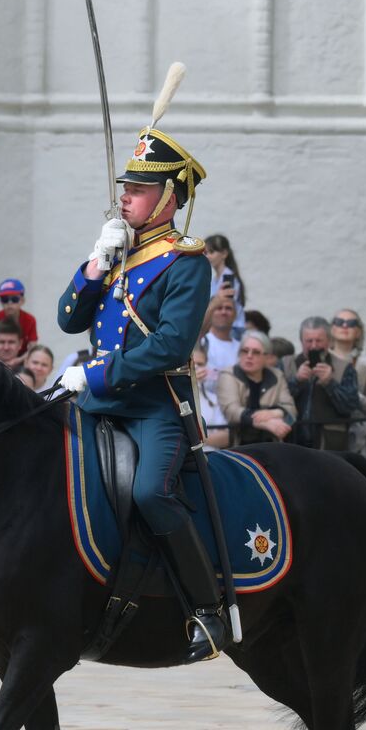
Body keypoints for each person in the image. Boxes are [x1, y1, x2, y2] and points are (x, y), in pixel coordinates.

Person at [56, 120, 226, 664]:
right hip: (99, 403)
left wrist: (96, 375)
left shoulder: (186, 262)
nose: (124, 197)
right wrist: (94, 265)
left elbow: (172, 346)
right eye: (124, 189)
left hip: (154, 407)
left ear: (167, 197)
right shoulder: (118, 252)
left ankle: (208, 609)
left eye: (136, 189)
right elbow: (67, 318)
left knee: (152, 493)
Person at [281, 316, 360, 450]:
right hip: (293, 439)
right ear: (301, 341)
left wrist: (330, 383)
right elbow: (275, 401)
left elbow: (350, 406)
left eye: (319, 340)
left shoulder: (345, 367)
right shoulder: (286, 364)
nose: (314, 346)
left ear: (329, 341)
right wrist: (297, 381)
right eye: (309, 341)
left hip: (330, 443)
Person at [216, 331, 295, 446]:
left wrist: (274, 413)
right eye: (245, 351)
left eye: (256, 352)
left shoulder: (277, 375)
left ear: (267, 357)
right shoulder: (228, 374)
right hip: (238, 444)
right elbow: (231, 410)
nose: (249, 356)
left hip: (271, 444)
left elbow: (291, 408)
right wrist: (265, 424)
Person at [329, 308, 366, 408]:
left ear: (358, 332)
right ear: (332, 329)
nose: (344, 326)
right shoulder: (322, 359)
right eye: (339, 322)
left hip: (356, 421)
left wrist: (351, 394)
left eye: (351, 323)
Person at [199, 289, 241, 394]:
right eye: (219, 308)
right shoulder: (201, 343)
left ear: (235, 314)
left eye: (228, 308)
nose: (223, 312)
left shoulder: (242, 348)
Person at [203, 233, 246, 331]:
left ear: (224, 254)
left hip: (232, 329)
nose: (208, 256)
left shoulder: (228, 278)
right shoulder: (215, 279)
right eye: (205, 253)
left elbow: (225, 307)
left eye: (212, 252)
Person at [190, 343, 230, 449]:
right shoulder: (174, 398)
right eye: (192, 363)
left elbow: (226, 437)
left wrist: (197, 438)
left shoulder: (213, 399)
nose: (196, 368)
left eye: (200, 364)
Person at [0, 278, 38, 350]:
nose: (9, 303)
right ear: (0, 302)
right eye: (5, 299)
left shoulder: (30, 319)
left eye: (14, 299)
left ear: (22, 301)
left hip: (22, 360)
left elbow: (33, 348)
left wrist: (16, 360)